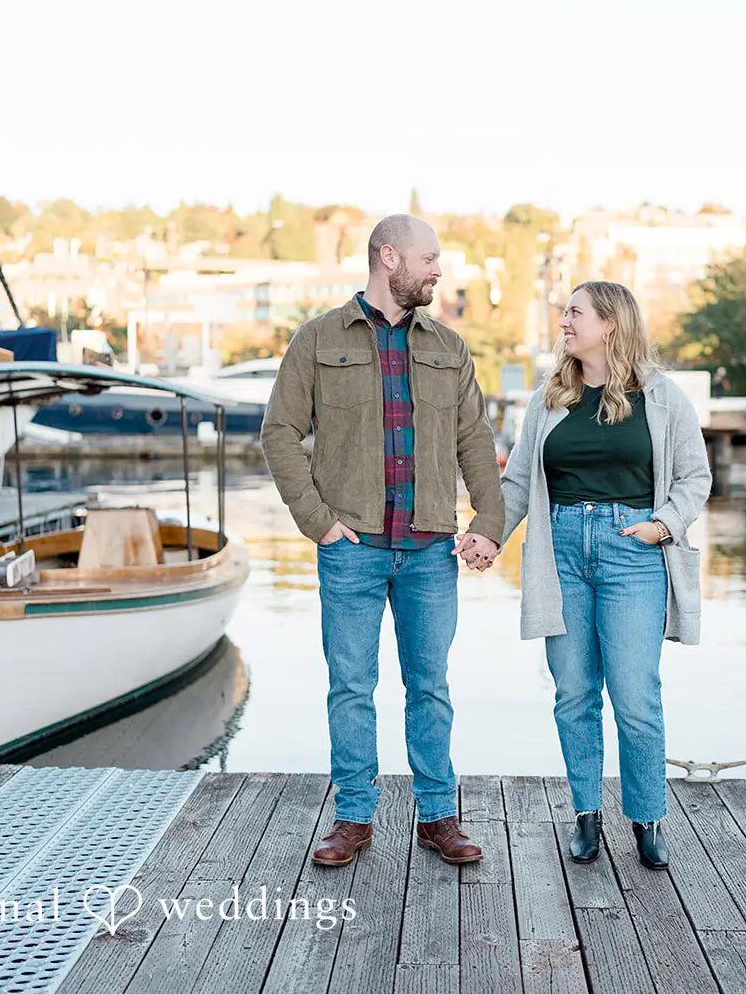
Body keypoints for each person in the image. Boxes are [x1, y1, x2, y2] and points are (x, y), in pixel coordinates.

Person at [261, 213, 503, 869]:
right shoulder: (316, 340)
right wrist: (318, 520)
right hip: (351, 547)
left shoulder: (449, 347)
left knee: (430, 686)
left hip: (430, 549)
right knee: (351, 685)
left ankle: (437, 816)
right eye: (429, 258)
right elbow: (278, 433)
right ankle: (352, 818)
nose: (438, 269)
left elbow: (475, 442)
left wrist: (488, 520)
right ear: (388, 258)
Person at [497, 281, 711, 870]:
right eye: (565, 311)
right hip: (560, 551)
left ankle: (646, 821)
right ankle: (586, 818)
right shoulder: (550, 397)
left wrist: (662, 525)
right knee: (572, 693)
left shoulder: (663, 398)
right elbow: (517, 483)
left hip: (632, 552)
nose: (563, 320)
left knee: (636, 696)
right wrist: (487, 535)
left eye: (575, 312)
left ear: (610, 323)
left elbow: (695, 477)